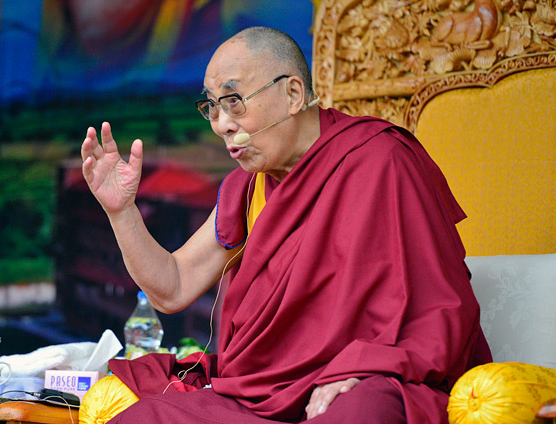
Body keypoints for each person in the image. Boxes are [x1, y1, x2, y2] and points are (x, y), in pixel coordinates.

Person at [80, 26, 491, 423]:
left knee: (367, 410)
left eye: (234, 101)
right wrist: (122, 212)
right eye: (211, 107)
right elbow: (172, 288)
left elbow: (439, 310)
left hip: (360, 382)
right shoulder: (247, 189)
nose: (222, 124)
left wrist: (364, 370)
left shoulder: (381, 161)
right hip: (263, 395)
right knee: (149, 418)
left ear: (293, 94)